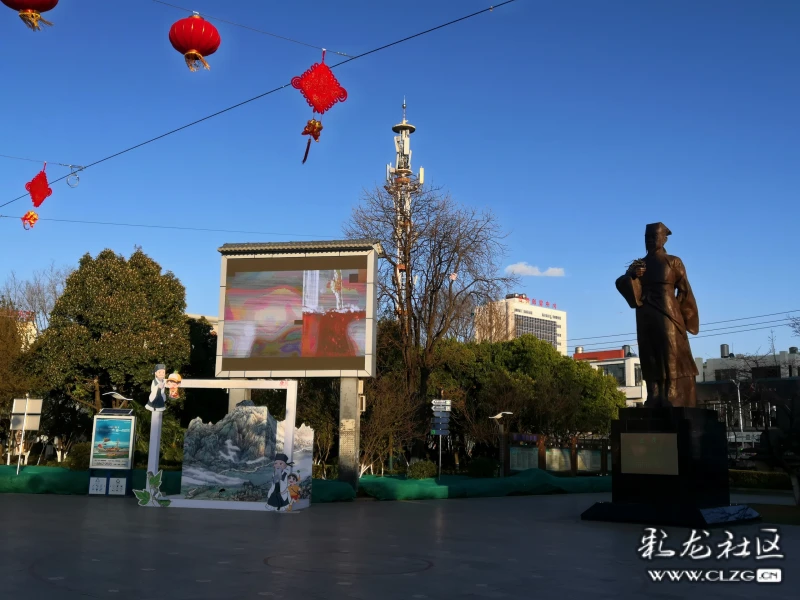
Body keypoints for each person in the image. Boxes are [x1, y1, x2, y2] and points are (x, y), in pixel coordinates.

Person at [616, 223, 699, 408]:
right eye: (648, 237)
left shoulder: (673, 261)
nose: (651, 240)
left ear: (664, 239)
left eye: (654, 237)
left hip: (667, 310)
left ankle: (671, 392)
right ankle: (653, 393)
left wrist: (682, 313)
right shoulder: (639, 265)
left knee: (669, 350)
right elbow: (623, 283)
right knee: (648, 352)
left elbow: (684, 289)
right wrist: (632, 275)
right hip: (645, 311)